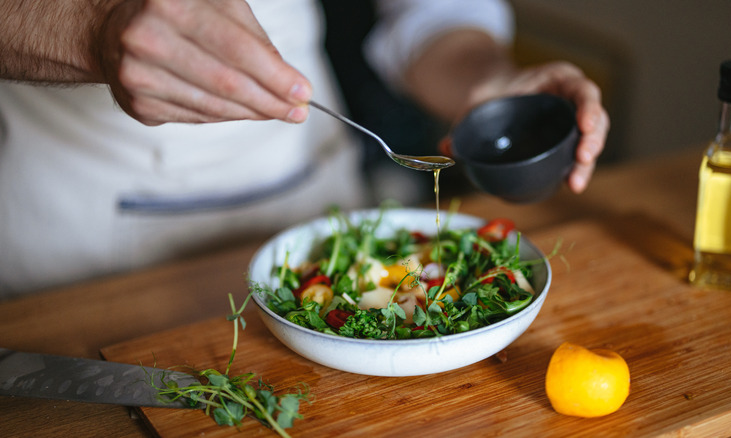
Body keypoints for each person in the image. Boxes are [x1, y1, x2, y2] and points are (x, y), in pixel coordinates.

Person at [0, 0, 609, 297]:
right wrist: (92, 28)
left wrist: (487, 82)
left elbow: (432, 8)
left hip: (312, 191)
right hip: (81, 250)